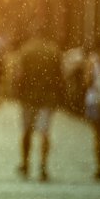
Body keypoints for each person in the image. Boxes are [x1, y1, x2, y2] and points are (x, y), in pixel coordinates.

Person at [14, 35, 64, 182]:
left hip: (28, 97)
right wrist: (59, 95)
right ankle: (43, 165)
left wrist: (18, 92)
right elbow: (59, 76)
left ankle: (25, 163)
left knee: (27, 131)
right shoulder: (54, 51)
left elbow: (19, 74)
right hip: (48, 98)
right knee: (44, 132)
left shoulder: (26, 50)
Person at [84, 47, 100, 180]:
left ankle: (99, 166)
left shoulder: (92, 61)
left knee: (98, 135)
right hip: (95, 101)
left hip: (95, 101)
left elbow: (87, 81)